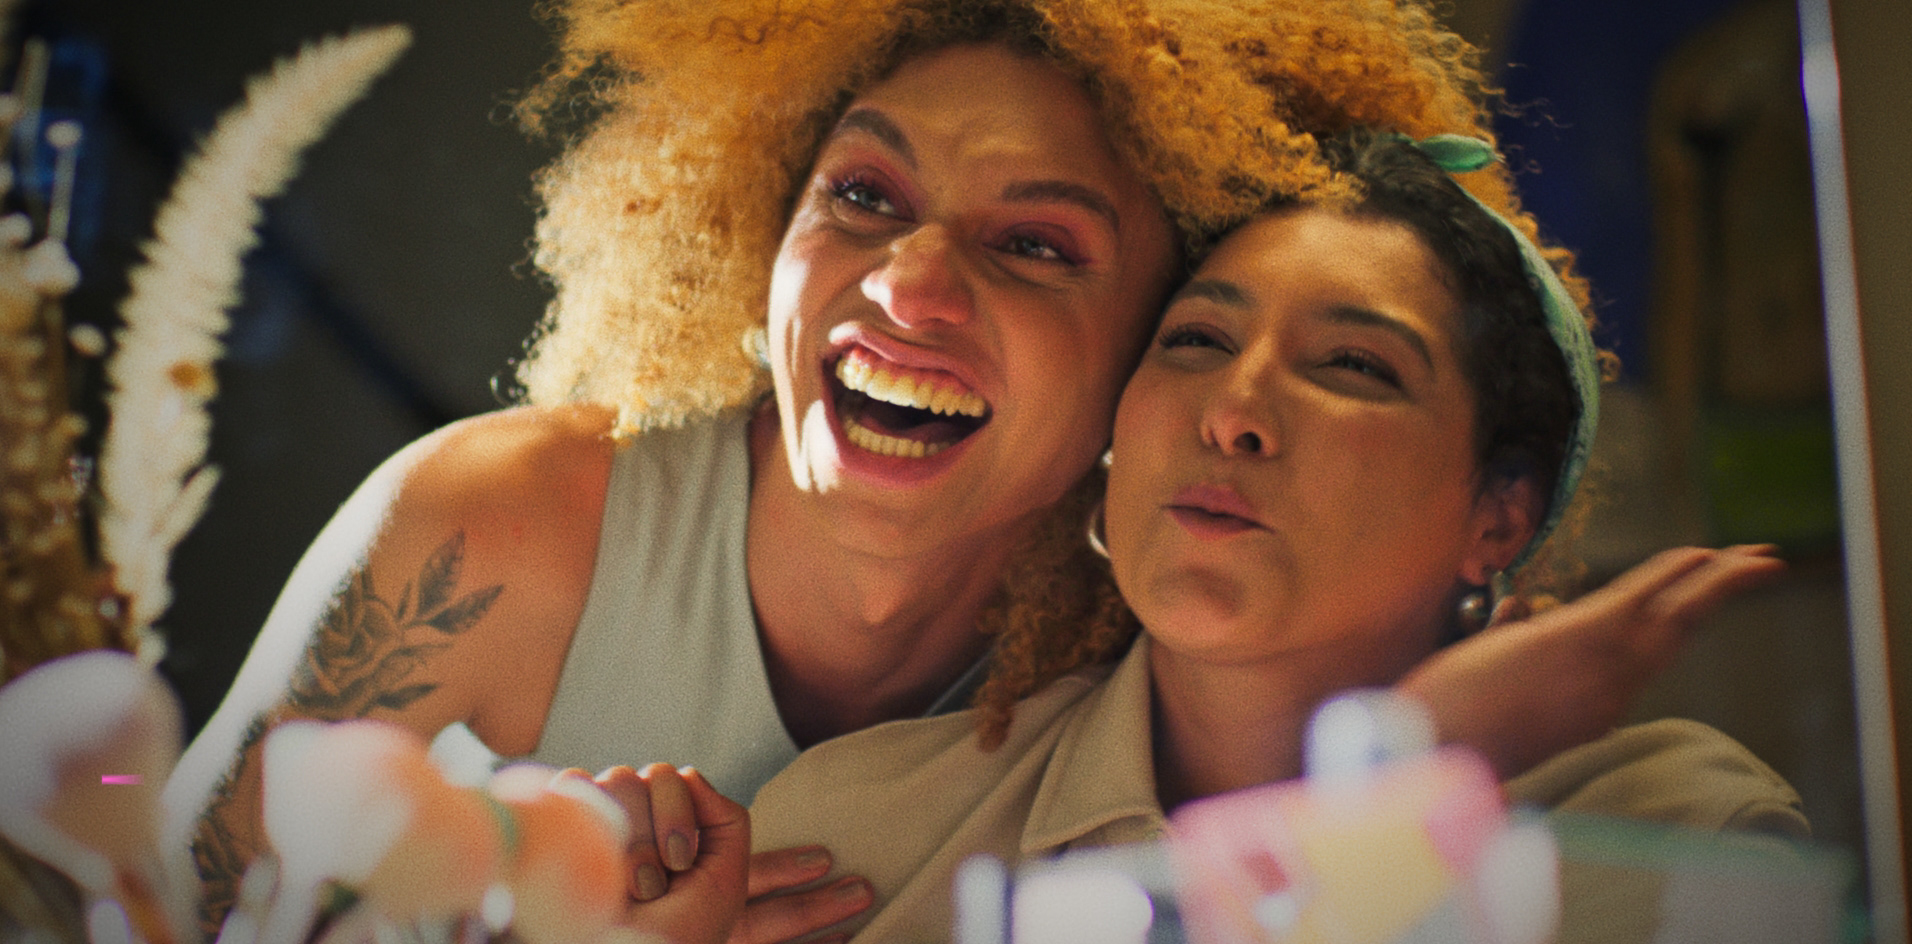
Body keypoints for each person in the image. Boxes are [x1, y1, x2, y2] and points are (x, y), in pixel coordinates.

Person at [166, 0, 1767, 942]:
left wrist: (1398, 768)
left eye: (1035, 246)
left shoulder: (1149, 638)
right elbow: (131, 903)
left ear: (1129, 363)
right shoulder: (507, 530)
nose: (909, 287)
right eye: (862, 197)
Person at [744, 129, 1806, 943]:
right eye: (1196, 340)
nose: (1232, 412)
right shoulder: (863, 829)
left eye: (1353, 366)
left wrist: (1399, 794)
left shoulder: (1673, 833)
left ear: (1500, 514)